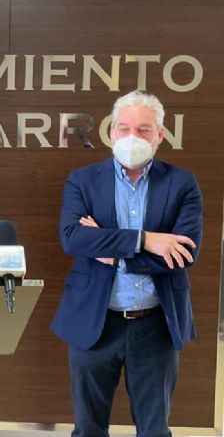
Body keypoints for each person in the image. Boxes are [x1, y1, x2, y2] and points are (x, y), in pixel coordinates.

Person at [51, 90, 202, 437]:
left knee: (154, 431)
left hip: (156, 324)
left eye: (144, 130)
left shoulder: (182, 182)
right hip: (94, 320)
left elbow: (184, 254)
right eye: (124, 128)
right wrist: (147, 240)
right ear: (111, 131)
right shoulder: (82, 180)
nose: (132, 137)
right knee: (88, 429)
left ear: (160, 134)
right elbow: (73, 239)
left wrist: (108, 245)